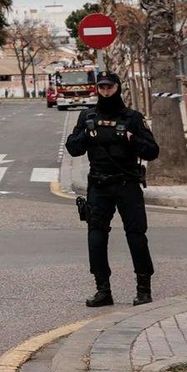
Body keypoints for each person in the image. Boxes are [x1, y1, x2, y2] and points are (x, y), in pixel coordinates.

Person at [65, 71, 158, 307]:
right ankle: (102, 289)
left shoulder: (132, 118)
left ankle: (143, 289)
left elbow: (152, 151)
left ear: (118, 88)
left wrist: (132, 140)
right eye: (102, 87)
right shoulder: (88, 117)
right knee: (96, 237)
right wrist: (85, 134)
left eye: (109, 87)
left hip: (127, 184)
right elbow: (74, 149)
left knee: (136, 235)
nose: (105, 91)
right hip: (99, 184)